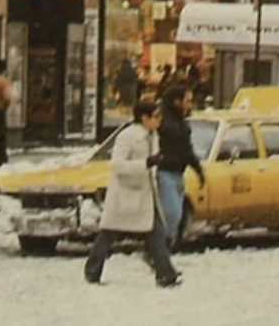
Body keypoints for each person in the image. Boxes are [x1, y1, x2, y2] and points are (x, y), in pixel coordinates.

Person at [84, 100, 181, 288]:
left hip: (145, 193)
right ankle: (92, 270)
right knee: (109, 233)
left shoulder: (154, 136)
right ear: (144, 118)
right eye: (155, 116)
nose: (159, 120)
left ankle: (166, 274)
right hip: (125, 193)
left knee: (155, 233)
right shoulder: (127, 136)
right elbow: (117, 165)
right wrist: (145, 163)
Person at [156, 87, 205, 245]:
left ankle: (163, 248)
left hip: (178, 173)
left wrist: (198, 170)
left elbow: (187, 149)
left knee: (176, 215)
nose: (190, 105)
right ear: (177, 102)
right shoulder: (162, 120)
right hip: (164, 171)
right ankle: (159, 247)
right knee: (172, 213)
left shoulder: (181, 122)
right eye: (187, 101)